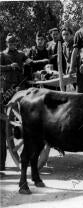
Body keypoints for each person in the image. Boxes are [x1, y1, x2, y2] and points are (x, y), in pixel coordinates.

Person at [0, 33, 28, 170]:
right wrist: (10, 66)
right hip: (7, 89)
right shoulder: (3, 55)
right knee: (6, 114)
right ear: (6, 43)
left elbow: (29, 61)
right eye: (10, 42)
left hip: (20, 86)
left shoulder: (21, 54)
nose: (12, 44)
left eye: (14, 42)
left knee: (21, 110)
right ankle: (7, 129)